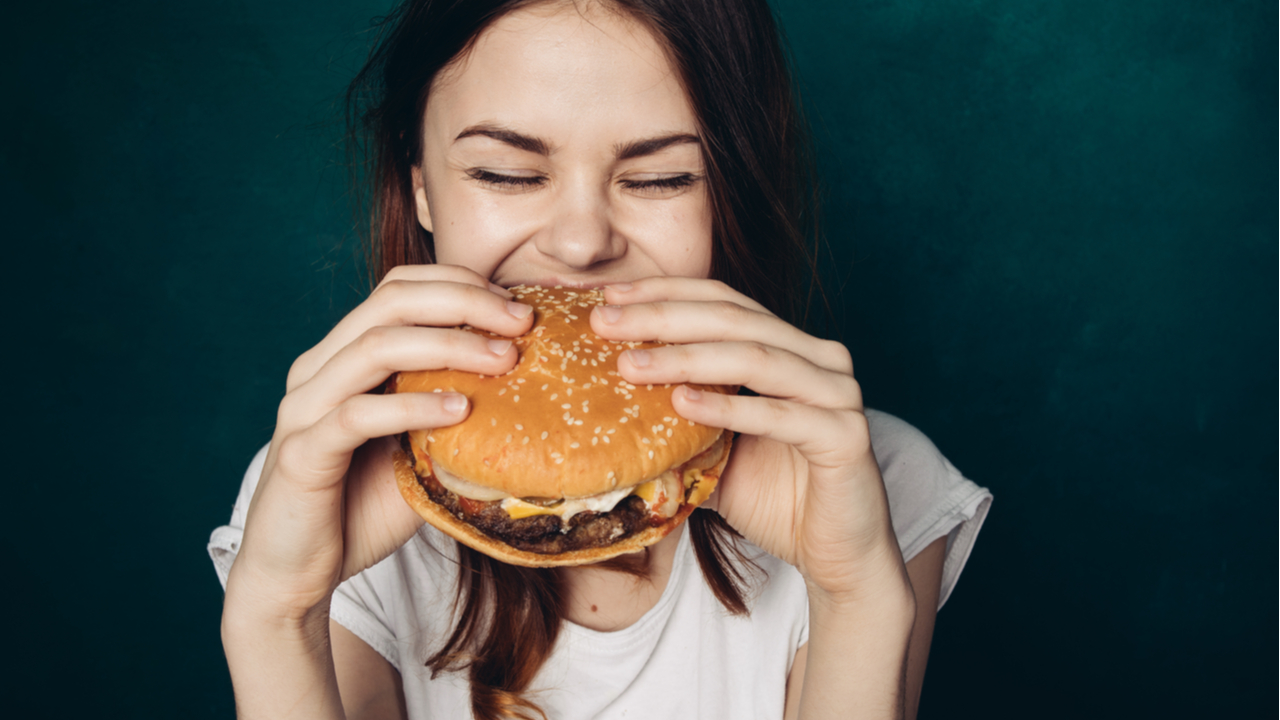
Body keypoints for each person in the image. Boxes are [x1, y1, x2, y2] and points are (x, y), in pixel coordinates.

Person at [208, 1, 992, 718]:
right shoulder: (325, 484)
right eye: (505, 173)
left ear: (728, 196)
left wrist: (855, 594)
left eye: (661, 178)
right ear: (419, 189)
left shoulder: (872, 475)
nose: (582, 244)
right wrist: (276, 611)